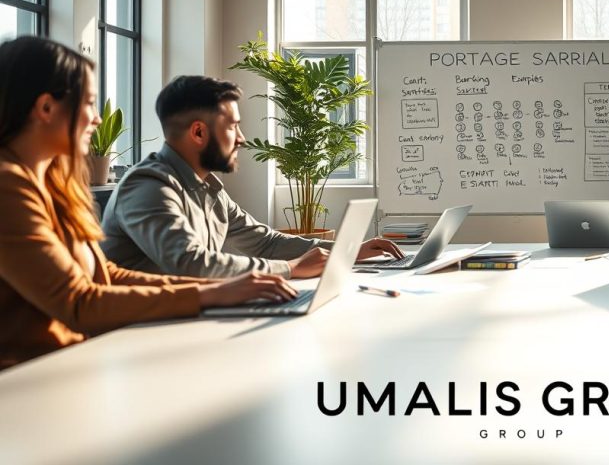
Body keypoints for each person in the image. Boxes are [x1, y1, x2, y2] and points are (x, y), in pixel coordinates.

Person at [0, 37, 298, 369]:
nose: (97, 120)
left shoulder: (54, 185)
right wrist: (208, 293)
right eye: (89, 104)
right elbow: (80, 302)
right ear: (46, 108)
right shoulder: (7, 186)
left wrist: (222, 289)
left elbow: (105, 274)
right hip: (27, 383)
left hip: (74, 362)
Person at [101, 76, 402, 279]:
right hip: (137, 339)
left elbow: (266, 243)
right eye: (232, 127)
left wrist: (348, 251)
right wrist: (289, 269)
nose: (242, 139)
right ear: (198, 132)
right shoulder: (148, 187)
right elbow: (189, 264)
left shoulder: (209, 190)